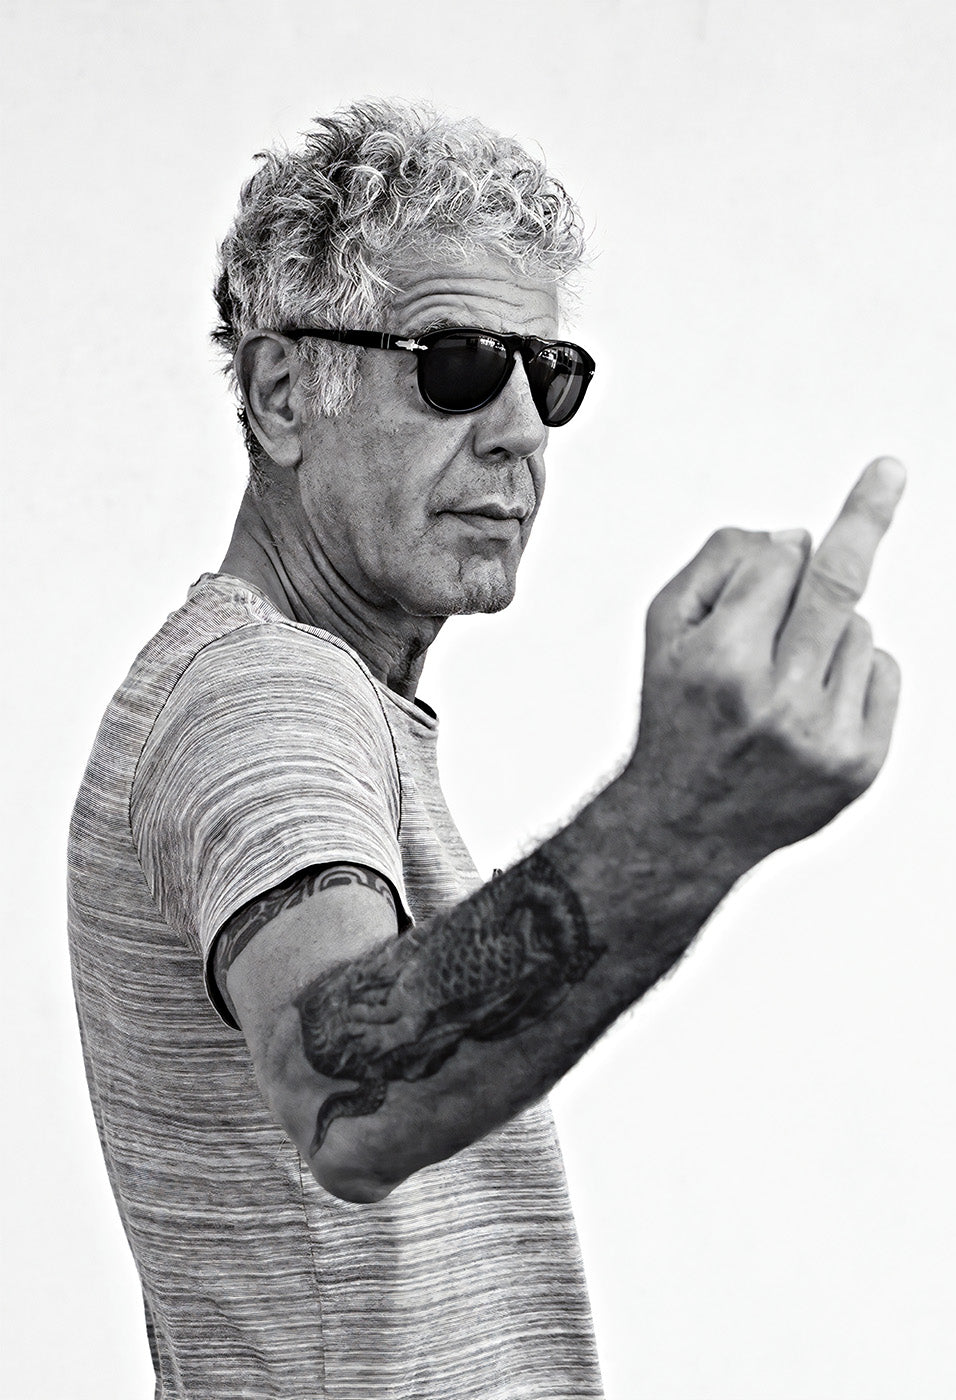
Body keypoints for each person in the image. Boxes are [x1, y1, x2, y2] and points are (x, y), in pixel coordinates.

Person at [68, 99, 904, 1400]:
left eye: (547, 373)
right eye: (456, 364)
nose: (521, 429)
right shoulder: (260, 694)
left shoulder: (319, 693)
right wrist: (686, 814)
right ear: (284, 394)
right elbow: (346, 1092)